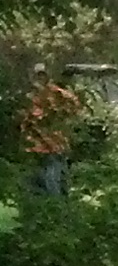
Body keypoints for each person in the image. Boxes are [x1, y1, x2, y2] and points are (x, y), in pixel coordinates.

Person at [18, 63, 86, 197]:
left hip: (54, 146)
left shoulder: (58, 94)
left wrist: (63, 120)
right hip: (33, 147)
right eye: (37, 75)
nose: (40, 78)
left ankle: (58, 206)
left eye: (42, 75)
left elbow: (76, 108)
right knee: (31, 182)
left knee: (54, 181)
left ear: (47, 76)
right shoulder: (27, 97)